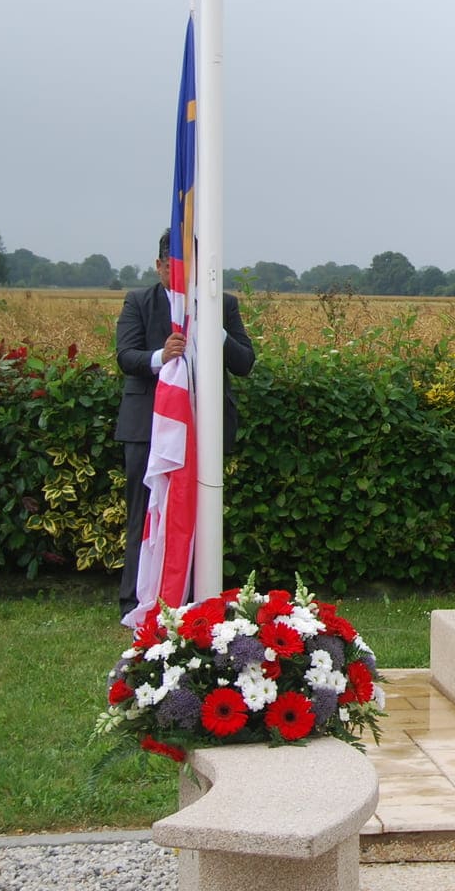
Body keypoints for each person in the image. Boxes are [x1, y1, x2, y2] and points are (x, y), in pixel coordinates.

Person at [115, 229, 257, 619]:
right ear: (160, 266)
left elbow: (245, 362)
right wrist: (160, 356)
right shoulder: (139, 302)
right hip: (150, 429)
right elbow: (126, 356)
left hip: (205, 430)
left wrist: (217, 329)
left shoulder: (222, 305)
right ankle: (135, 600)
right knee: (144, 512)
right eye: (175, 268)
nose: (183, 277)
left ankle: (197, 597)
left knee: (200, 513)